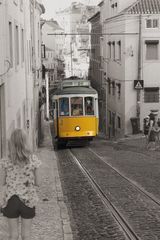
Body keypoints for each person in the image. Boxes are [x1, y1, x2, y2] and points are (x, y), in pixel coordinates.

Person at [0, 129, 41, 240]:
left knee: (13, 235)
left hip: (11, 200)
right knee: (26, 235)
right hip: (28, 200)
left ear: (11, 143)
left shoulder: (5, 161)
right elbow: (38, 183)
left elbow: (2, 182)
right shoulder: (33, 160)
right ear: (25, 142)